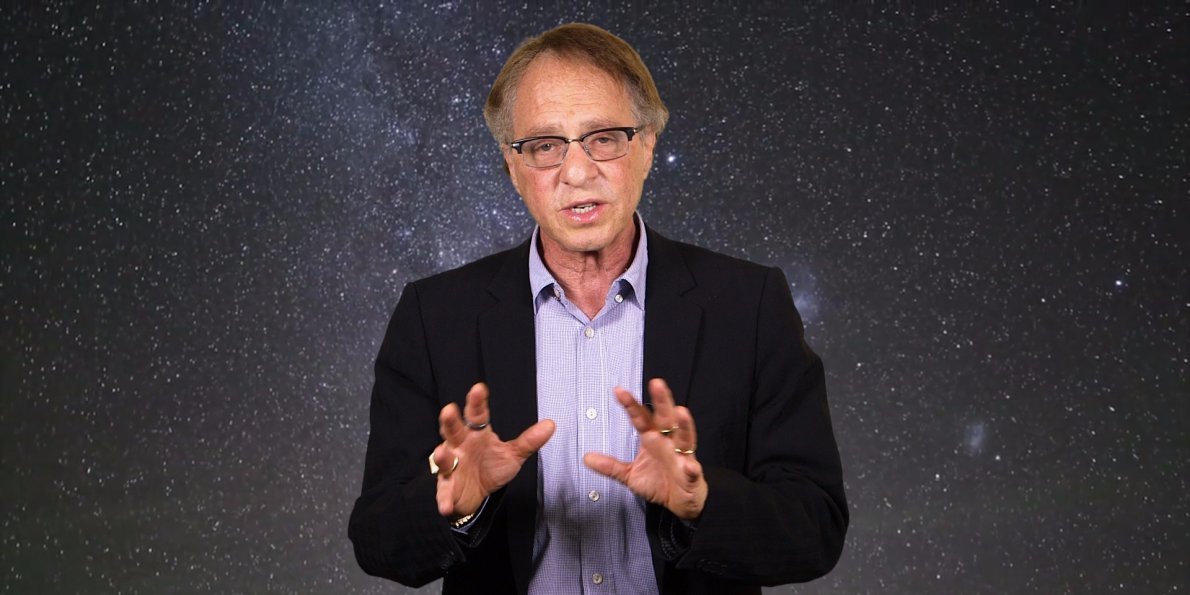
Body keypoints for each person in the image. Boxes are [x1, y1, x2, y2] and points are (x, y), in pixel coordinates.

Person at [348, 22, 848, 595]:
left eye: (604, 138)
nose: (577, 171)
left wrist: (703, 503)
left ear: (648, 146)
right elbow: (377, 539)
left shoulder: (749, 305)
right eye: (544, 146)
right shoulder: (433, 317)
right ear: (512, 168)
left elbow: (816, 529)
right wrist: (455, 506)